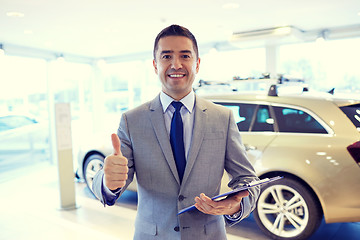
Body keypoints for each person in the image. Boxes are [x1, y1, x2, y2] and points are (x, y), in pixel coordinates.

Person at [92, 24, 260, 240]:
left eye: (185, 56)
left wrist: (234, 207)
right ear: (155, 65)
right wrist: (108, 181)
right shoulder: (132, 120)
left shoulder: (222, 118)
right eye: (166, 56)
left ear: (197, 64)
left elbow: (248, 179)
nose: (176, 64)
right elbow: (111, 182)